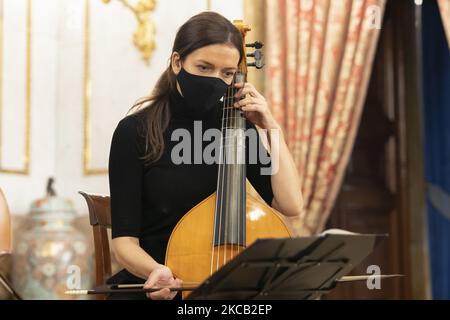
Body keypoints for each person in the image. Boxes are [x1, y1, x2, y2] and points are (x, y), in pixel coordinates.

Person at [107, 11, 303, 300]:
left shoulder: (237, 129)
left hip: (224, 292)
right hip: (156, 283)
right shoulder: (134, 131)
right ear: (177, 62)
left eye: (226, 73)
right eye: (204, 67)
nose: (215, 80)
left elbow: (290, 203)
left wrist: (271, 126)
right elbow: (124, 243)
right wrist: (156, 272)